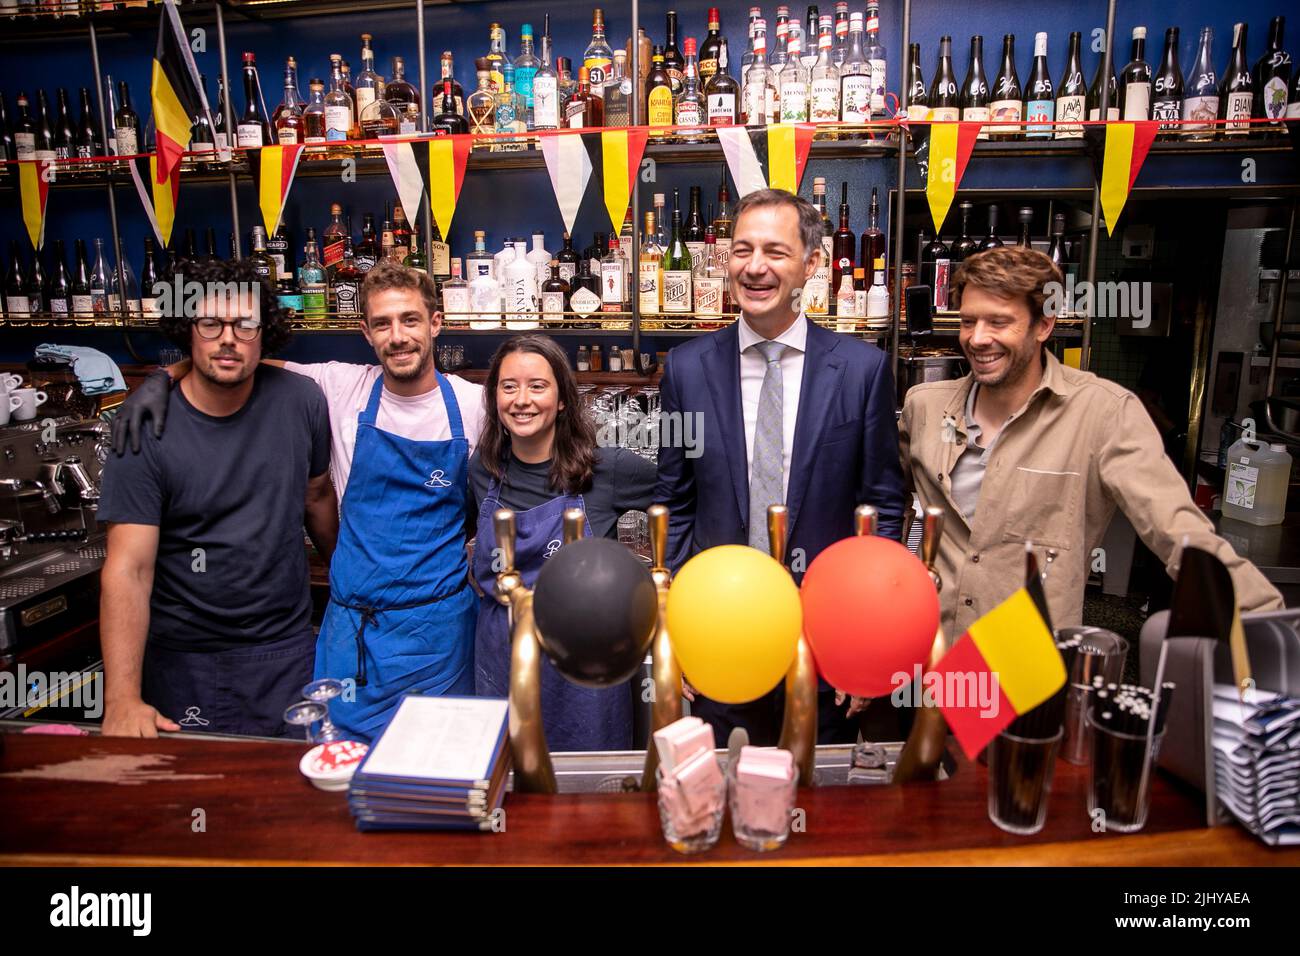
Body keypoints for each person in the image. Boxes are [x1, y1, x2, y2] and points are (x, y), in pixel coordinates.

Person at [112, 259, 485, 743]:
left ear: (435, 323)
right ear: (364, 332)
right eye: (382, 324)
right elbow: (234, 356)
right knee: (334, 776)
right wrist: (162, 377)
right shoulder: (335, 386)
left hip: (439, 633)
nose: (398, 337)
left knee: (439, 769)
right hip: (352, 636)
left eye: (410, 320)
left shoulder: (476, 405)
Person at [899, 245, 1284, 640]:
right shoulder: (925, 407)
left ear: (1044, 325)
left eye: (999, 322)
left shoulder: (1103, 413)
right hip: (933, 650)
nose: (978, 339)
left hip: (1029, 665)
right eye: (968, 321)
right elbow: (890, 500)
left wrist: (1271, 629)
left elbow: (1178, 530)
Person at [654, 188, 908, 747]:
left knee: (822, 803)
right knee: (720, 794)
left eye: (775, 250)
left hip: (825, 635)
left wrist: (867, 641)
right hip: (718, 626)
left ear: (810, 264)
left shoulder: (861, 371)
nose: (755, 266)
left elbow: (882, 508)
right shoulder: (687, 369)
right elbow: (674, 502)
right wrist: (674, 629)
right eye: (741, 250)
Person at [99, 259, 338, 738]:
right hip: (183, 660)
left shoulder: (302, 401)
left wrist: (350, 587)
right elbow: (129, 568)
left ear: (263, 331)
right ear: (188, 329)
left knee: (290, 799)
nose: (228, 338)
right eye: (210, 323)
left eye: (244, 323)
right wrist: (122, 699)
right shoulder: (145, 426)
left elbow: (317, 496)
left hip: (286, 653)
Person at [468, 334, 657, 751]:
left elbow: (683, 501)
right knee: (511, 786)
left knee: (589, 800)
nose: (522, 399)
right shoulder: (482, 471)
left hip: (586, 666)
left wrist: (664, 595)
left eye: (537, 386)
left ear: (562, 400)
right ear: (494, 397)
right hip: (503, 656)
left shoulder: (607, 469)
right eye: (508, 386)